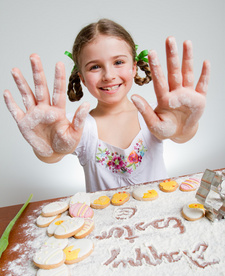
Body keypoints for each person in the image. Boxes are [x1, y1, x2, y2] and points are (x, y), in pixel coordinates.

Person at [3, 19, 210, 192]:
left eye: (118, 62)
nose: (109, 75)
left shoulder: (155, 118)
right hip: (105, 233)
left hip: (160, 222)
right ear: (81, 78)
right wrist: (49, 148)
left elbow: (181, 135)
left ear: (134, 66)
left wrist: (185, 126)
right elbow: (51, 156)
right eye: (95, 67)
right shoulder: (79, 128)